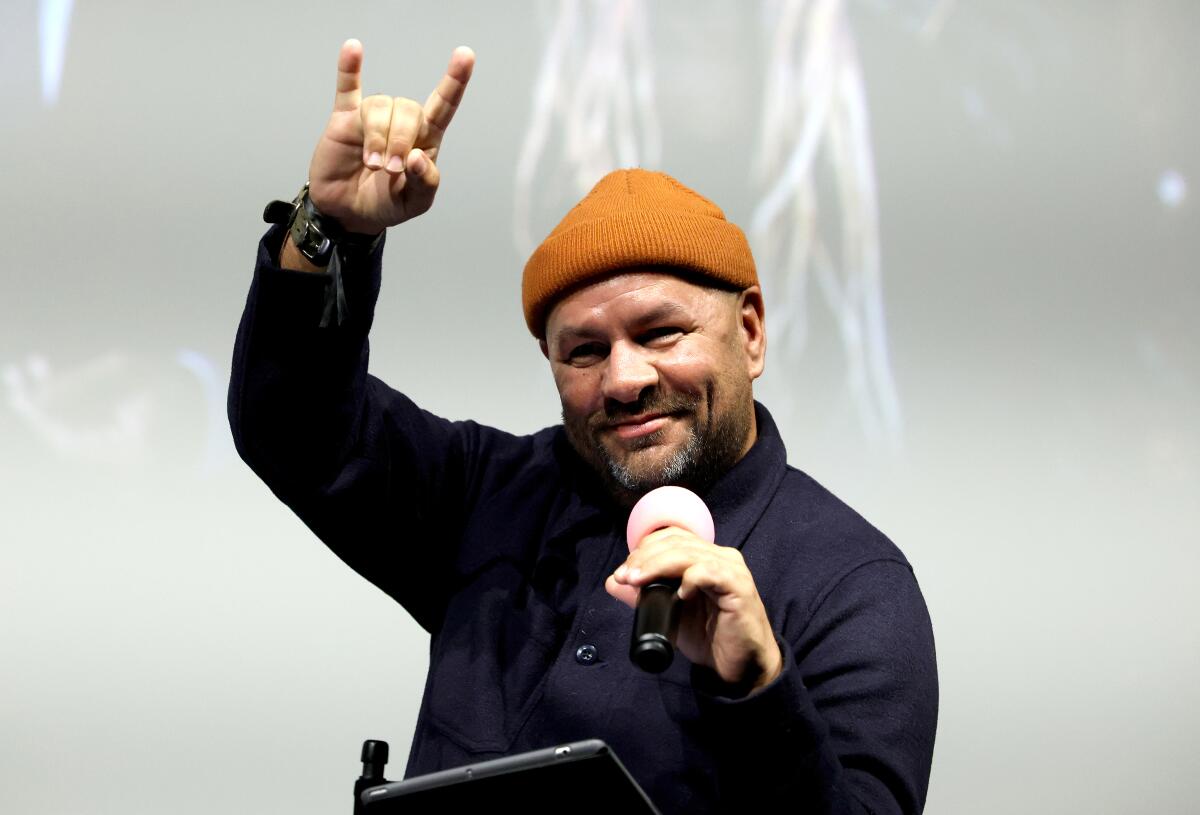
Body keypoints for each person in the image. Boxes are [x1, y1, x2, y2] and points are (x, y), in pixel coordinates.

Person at [229, 39, 937, 814]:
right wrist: (331, 227)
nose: (625, 380)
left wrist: (759, 685)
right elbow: (291, 426)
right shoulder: (486, 496)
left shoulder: (851, 584)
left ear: (752, 332)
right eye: (586, 351)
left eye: (662, 333)